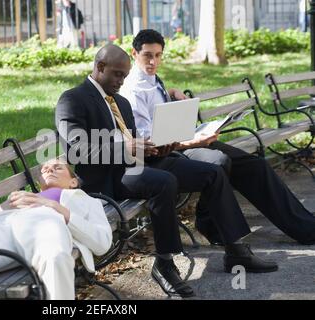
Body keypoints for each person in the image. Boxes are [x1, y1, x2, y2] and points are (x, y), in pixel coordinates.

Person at [56, 44, 278, 299]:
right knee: (163, 182)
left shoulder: (121, 102)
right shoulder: (73, 99)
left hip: (137, 163)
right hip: (106, 177)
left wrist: (157, 147)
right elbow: (77, 150)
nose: (121, 81)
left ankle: (236, 250)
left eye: (125, 76)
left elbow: (135, 139)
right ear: (99, 67)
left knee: (213, 171)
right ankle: (164, 263)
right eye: (116, 74)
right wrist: (126, 147)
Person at [119, 29, 315, 246]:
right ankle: (213, 226)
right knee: (219, 161)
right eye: (147, 55)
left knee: (255, 165)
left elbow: (156, 100)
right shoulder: (133, 89)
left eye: (158, 55)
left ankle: (306, 227)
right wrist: (196, 141)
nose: (153, 61)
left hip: (182, 140)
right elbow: (150, 142)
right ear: (134, 54)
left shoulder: (151, 78)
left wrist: (171, 92)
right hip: (167, 152)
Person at [0, 159, 112, 300]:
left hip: (45, 224)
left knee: (55, 257)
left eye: (57, 167)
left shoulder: (84, 200)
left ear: (73, 182)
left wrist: (52, 206)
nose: (49, 169)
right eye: (44, 169)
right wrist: (5, 206)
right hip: (3, 225)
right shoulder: (25, 197)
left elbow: (102, 241)